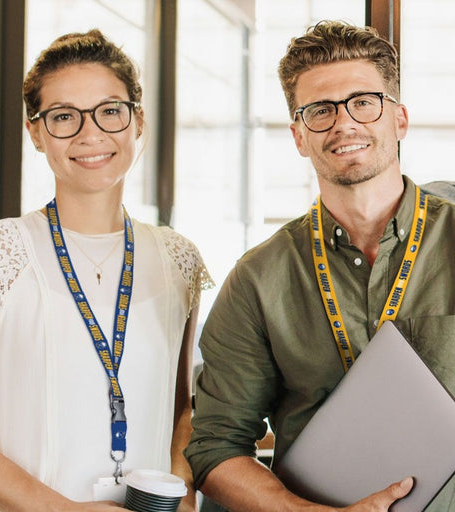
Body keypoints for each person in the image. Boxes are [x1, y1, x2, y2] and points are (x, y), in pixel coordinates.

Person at [185, 20, 455, 512]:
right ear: (297, 135)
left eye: (363, 102)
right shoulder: (256, 280)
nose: (343, 123)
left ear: (399, 119)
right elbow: (215, 447)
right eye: (320, 111)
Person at [0, 29, 212, 512]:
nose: (91, 134)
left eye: (110, 111)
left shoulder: (178, 257)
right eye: (64, 117)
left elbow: (179, 410)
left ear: (137, 121)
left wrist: (181, 492)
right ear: (36, 132)